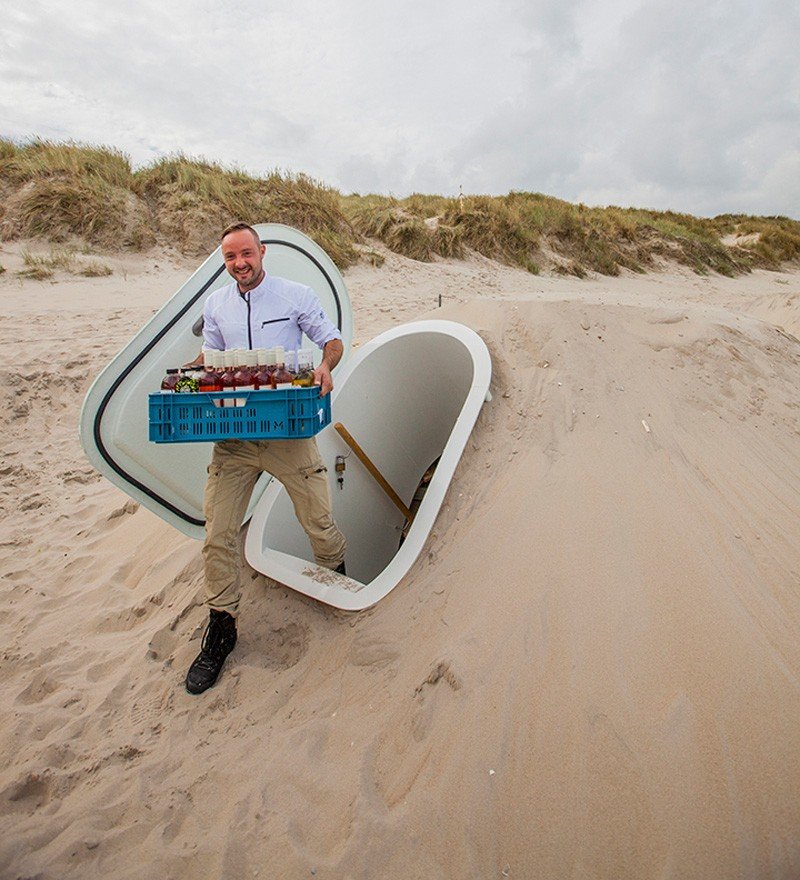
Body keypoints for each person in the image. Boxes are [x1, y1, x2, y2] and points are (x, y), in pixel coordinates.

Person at [185, 222, 347, 695]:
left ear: (262, 252)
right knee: (217, 532)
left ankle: (336, 581)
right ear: (225, 261)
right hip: (234, 435)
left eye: (246, 254)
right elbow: (210, 359)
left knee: (317, 519)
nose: (240, 263)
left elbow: (330, 339)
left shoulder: (295, 295)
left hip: (288, 429)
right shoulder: (216, 305)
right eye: (231, 257)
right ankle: (221, 627)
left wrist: (324, 365)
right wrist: (182, 379)